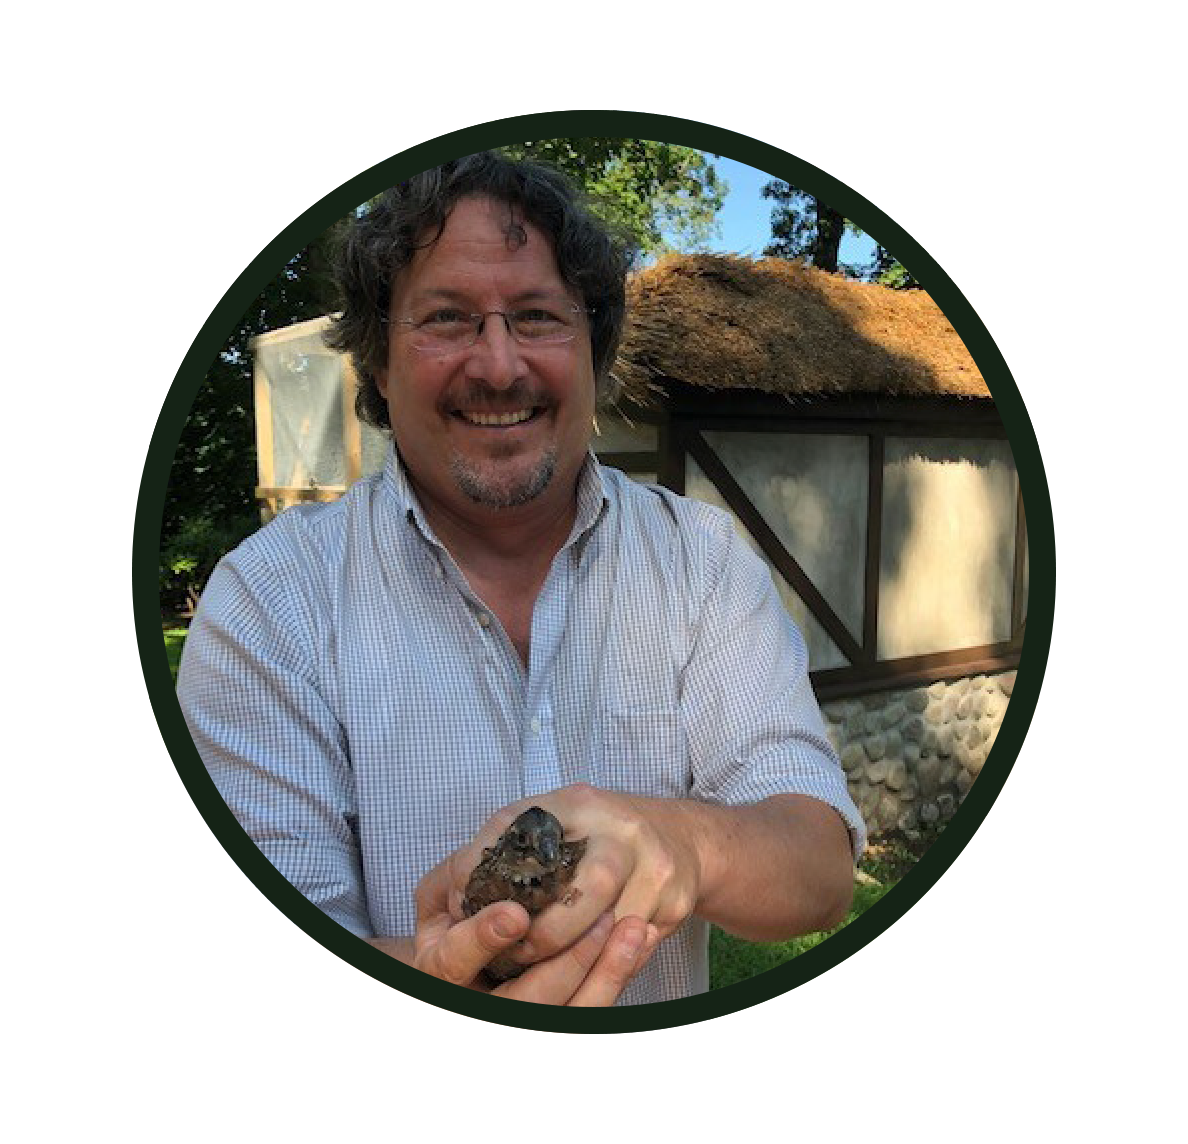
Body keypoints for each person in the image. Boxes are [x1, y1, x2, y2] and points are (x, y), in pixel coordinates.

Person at [177, 151, 865, 1007]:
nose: (499, 367)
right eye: (446, 319)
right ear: (379, 367)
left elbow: (818, 872)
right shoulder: (268, 601)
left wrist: (680, 842)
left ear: (596, 356)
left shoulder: (704, 558)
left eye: (538, 317)